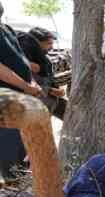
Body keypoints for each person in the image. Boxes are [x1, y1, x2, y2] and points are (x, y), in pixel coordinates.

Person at [0, 0, 43, 183]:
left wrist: (32, 82)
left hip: (23, 95)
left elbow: (22, 59)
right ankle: (12, 189)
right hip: (5, 98)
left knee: (24, 144)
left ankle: (22, 185)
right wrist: (27, 86)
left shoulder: (6, 29)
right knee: (9, 144)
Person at [16, 27, 67, 119]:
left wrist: (55, 88)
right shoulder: (24, 58)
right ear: (37, 43)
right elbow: (24, 82)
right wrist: (50, 90)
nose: (52, 47)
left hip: (47, 97)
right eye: (49, 43)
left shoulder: (42, 58)